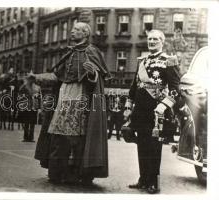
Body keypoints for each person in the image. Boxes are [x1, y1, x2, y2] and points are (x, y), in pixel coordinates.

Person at [33, 22, 110, 185]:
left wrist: (92, 74)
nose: (72, 32)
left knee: (77, 139)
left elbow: (97, 79)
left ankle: (77, 173)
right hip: (63, 97)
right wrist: (38, 78)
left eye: (76, 30)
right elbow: (57, 76)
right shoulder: (69, 52)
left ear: (85, 33)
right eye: (72, 29)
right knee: (58, 136)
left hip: (80, 98)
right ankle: (57, 173)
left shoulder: (92, 51)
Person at [125, 30, 181, 194]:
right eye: (150, 39)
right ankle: (143, 180)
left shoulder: (169, 61)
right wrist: (129, 105)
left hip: (157, 112)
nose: (152, 41)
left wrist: (165, 104)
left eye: (155, 39)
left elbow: (176, 90)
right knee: (141, 145)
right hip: (140, 110)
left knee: (154, 147)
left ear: (162, 42)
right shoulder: (142, 61)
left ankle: (153, 182)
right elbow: (135, 87)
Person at [17, 76, 41, 142]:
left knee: (32, 123)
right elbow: (20, 92)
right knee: (26, 122)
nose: (31, 80)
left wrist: (39, 107)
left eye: (32, 79)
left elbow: (39, 97)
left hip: (34, 106)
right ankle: (26, 137)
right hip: (27, 106)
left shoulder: (37, 87)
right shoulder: (25, 86)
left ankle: (31, 137)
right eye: (30, 79)